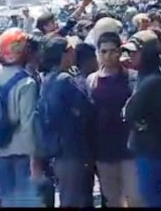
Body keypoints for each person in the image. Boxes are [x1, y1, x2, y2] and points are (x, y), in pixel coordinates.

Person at [123, 30, 161, 208]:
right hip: (146, 145)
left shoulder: (153, 81)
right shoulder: (144, 76)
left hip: (151, 146)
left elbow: (128, 112)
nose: (131, 56)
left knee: (151, 194)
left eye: (135, 52)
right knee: (150, 193)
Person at [39, 35, 96, 207]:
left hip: (57, 149)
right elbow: (87, 108)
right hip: (72, 148)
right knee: (75, 198)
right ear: (64, 54)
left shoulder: (47, 79)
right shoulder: (65, 80)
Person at [87, 32, 142, 207]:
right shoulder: (91, 81)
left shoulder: (132, 77)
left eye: (112, 51)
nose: (108, 56)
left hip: (129, 149)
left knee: (135, 198)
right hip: (103, 151)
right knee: (112, 200)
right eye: (103, 52)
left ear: (119, 51)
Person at [0, 28, 43, 207]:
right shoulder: (26, 82)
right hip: (22, 152)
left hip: (0, 148)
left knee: (7, 199)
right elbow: (28, 123)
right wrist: (35, 158)